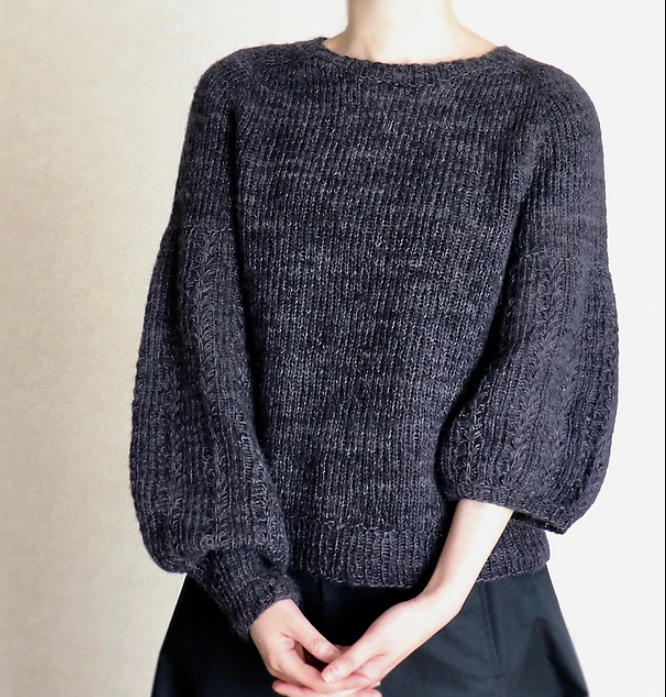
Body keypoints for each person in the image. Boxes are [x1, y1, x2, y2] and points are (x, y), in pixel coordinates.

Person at [128, 1, 620, 695]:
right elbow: (195, 356)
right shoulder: (243, 92)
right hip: (259, 611)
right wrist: (251, 593)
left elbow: (544, 366)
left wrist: (442, 596)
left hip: (465, 603)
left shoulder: (544, 109)